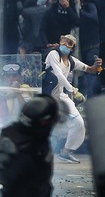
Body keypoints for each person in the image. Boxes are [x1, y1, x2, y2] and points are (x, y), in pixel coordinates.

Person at [43, 34, 101, 163]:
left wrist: (96, 66)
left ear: (72, 47)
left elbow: (89, 69)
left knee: (78, 123)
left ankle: (66, 152)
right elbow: (58, 75)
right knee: (42, 125)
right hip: (48, 96)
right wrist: (73, 90)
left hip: (61, 95)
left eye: (68, 43)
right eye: (63, 41)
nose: (64, 45)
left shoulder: (71, 61)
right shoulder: (53, 54)